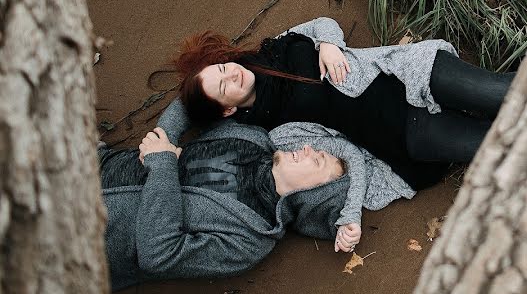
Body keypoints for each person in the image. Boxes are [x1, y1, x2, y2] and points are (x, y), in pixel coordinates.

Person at [167, 17, 515, 191]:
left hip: (408, 73)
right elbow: (337, 153)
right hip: (405, 132)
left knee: (503, 93)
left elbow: (322, 24)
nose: (233, 75)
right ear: (227, 110)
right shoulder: (277, 133)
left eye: (224, 68)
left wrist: (329, 44)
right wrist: (166, 140)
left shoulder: (274, 49)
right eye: (224, 86)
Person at [100, 99, 409, 290]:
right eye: (317, 150)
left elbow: (158, 254)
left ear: (312, 195)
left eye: (318, 160)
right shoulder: (252, 137)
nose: (307, 149)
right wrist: (163, 135)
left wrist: (163, 163)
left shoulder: (250, 237)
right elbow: (194, 101)